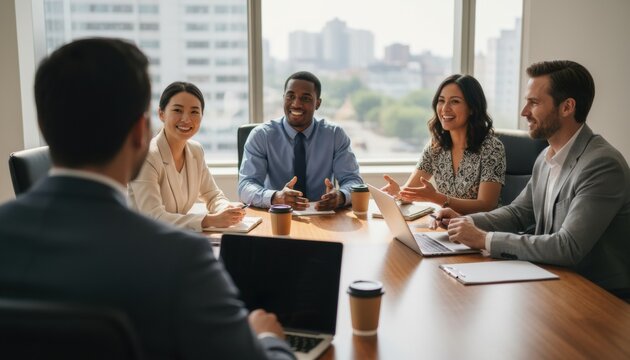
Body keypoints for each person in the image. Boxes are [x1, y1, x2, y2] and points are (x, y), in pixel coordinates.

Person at [0, 38, 294, 359]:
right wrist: (268, 338)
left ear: (43, 124)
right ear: (143, 130)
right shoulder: (182, 260)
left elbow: (212, 194)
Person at [434, 60, 630, 294]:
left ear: (567, 107)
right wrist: (467, 223)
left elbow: (568, 246)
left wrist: (484, 239)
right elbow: (519, 213)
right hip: (552, 279)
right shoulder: (546, 157)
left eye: (534, 103)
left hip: (596, 294)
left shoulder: (601, 164)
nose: (524, 112)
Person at [128, 81, 245, 232]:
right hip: (142, 240)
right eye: (177, 110)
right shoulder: (148, 156)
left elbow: (212, 195)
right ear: (161, 114)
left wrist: (227, 209)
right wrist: (210, 220)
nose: (186, 119)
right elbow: (153, 216)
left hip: (175, 239)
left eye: (194, 112)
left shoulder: (196, 151)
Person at [238, 71, 363, 211]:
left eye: (306, 98)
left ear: (318, 103)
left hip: (323, 215)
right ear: (283, 98)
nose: (296, 104)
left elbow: (354, 181)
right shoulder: (261, 135)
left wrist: (340, 196)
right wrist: (275, 197)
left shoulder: (335, 135)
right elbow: (245, 186)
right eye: (290, 96)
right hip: (278, 214)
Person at [381, 74, 506, 214]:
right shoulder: (436, 146)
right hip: (445, 226)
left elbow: (486, 205)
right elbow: (411, 191)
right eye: (441, 101)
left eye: (455, 102)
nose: (445, 108)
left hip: (481, 229)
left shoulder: (492, 147)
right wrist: (398, 193)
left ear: (472, 108)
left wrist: (437, 198)